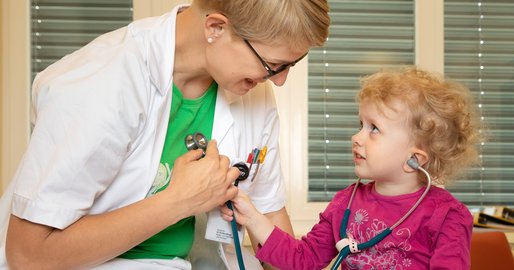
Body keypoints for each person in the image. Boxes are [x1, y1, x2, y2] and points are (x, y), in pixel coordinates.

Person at [0, 0, 330, 269]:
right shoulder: (103, 80)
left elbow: (269, 214)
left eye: (291, 65)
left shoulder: (249, 89)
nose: (280, 81)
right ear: (215, 27)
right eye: (272, 66)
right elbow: (28, 254)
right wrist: (178, 201)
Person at [221, 67, 483, 269]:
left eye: (374, 129)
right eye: (361, 124)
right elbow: (304, 259)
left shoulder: (448, 215)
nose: (357, 137)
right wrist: (253, 218)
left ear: (414, 158)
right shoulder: (346, 202)